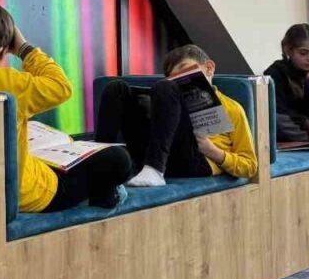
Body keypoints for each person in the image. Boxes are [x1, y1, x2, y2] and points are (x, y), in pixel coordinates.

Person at [0, 0, 131, 212]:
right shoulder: (8, 83)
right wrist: (24, 49)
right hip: (27, 194)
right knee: (118, 159)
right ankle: (105, 196)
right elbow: (61, 86)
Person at [94, 44, 258, 187]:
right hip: (155, 150)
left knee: (165, 88)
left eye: (185, 71)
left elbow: (250, 165)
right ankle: (99, 165)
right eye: (174, 78)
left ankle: (154, 170)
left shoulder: (233, 108)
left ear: (209, 68)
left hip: (197, 159)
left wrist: (213, 151)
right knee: (116, 89)